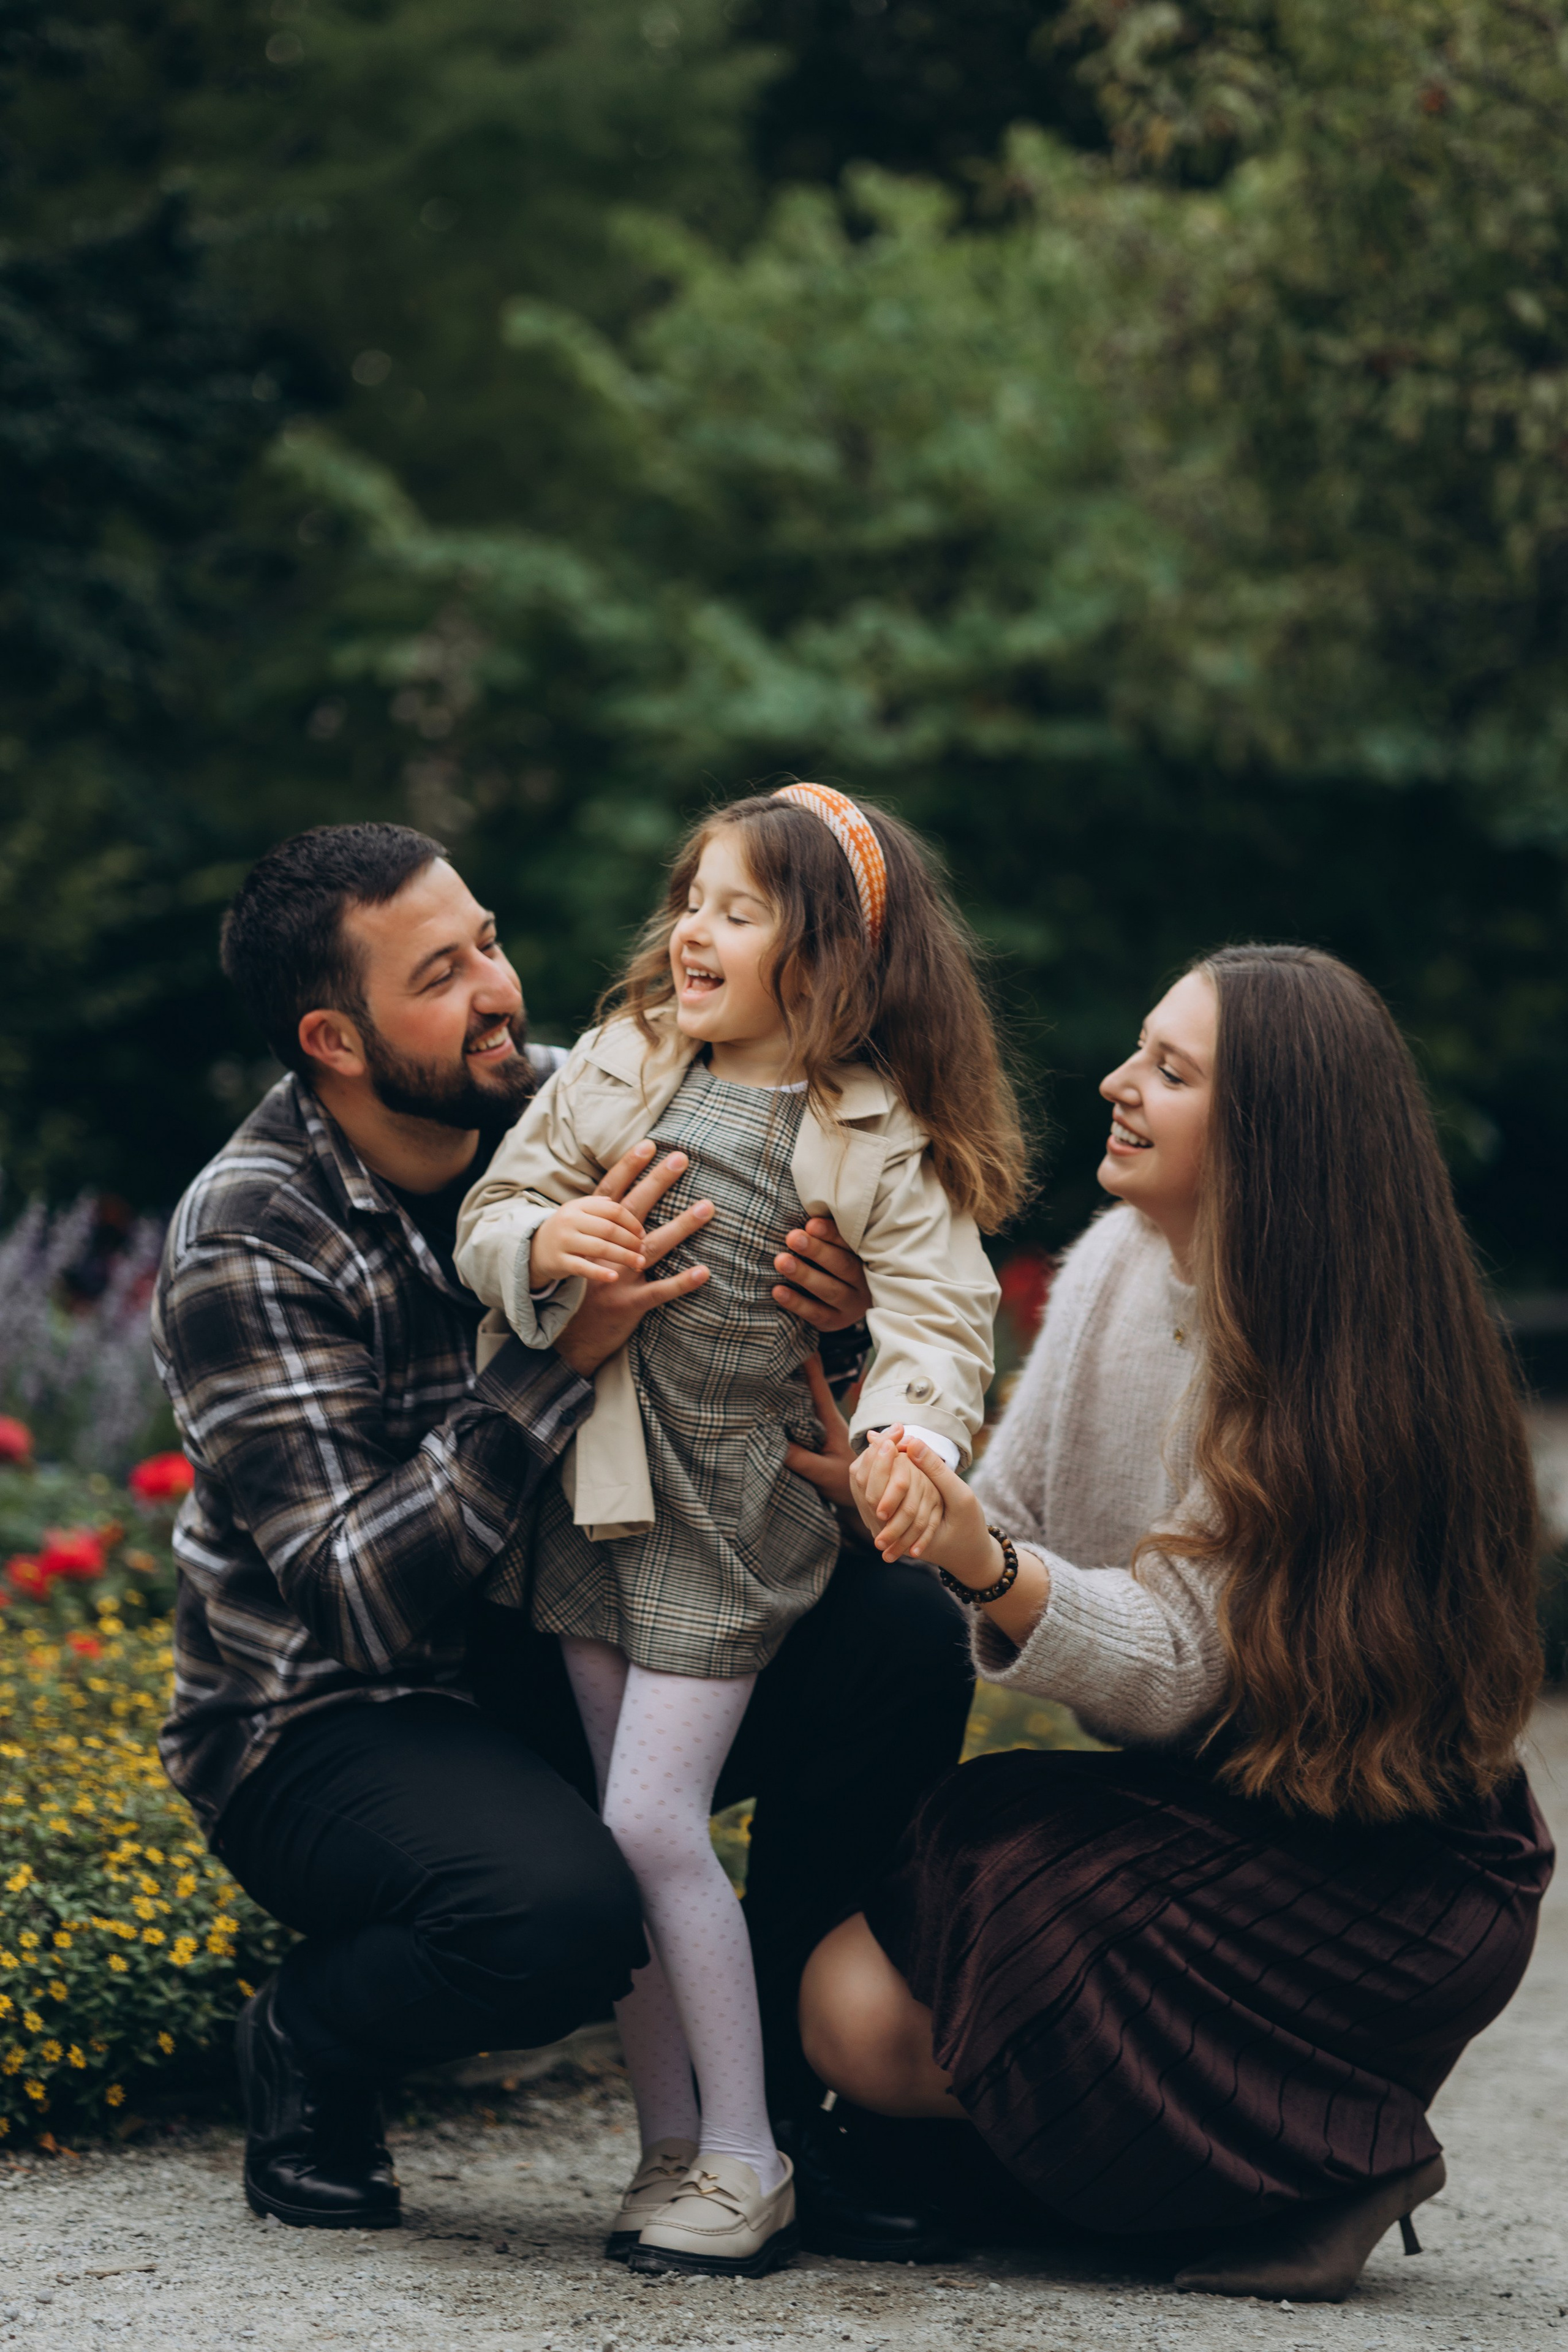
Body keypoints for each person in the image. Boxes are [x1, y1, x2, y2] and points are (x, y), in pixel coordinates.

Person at [150, 821, 975, 2241]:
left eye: (487, 939)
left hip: (556, 1619)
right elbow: (360, 1596)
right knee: (559, 1914)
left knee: (898, 1638)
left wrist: (828, 1329)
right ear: (334, 1040)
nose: (500, 989)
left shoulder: (596, 1094)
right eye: (442, 974)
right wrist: (547, 1357)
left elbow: (734, 1375)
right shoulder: (248, 1232)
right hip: (334, 1714)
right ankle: (307, 2039)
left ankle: (762, 2120)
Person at [800, 944, 1553, 2303]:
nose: (1116, 1083)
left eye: (1170, 1068)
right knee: (884, 1960)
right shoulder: (1112, 1265)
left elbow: (1175, 1669)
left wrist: (981, 1565)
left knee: (972, 1928)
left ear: (1267, 1131)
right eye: (1138, 1051)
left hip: (1383, 1872)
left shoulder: (1344, 1365)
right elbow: (1008, 1500)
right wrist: (882, 1443)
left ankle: (1332, 2155)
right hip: (1211, 1805)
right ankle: (1205, 2173)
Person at [452, 785, 1027, 2275]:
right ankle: (668, 2146)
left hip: (737, 1512)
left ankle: (746, 2150)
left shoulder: (871, 1128)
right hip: (604, 1492)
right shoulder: (628, 1061)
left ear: (822, 956)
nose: (690, 929)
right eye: (690, 897)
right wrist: (540, 1244)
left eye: (736, 909)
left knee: (651, 1822)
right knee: (616, 1828)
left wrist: (908, 1434)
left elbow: (942, 1317)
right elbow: (497, 1207)